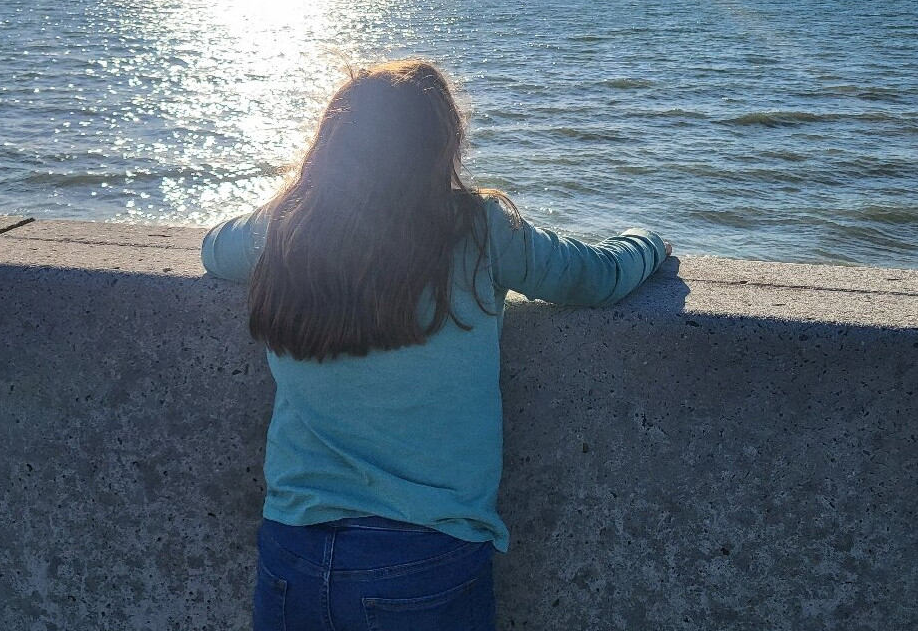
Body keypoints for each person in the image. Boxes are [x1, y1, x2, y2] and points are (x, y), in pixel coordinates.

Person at [200, 59, 670, 631]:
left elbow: (214, 249)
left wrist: (291, 206)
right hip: (423, 560)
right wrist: (646, 240)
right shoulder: (480, 229)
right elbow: (593, 277)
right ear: (442, 143)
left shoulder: (290, 227)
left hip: (293, 552)